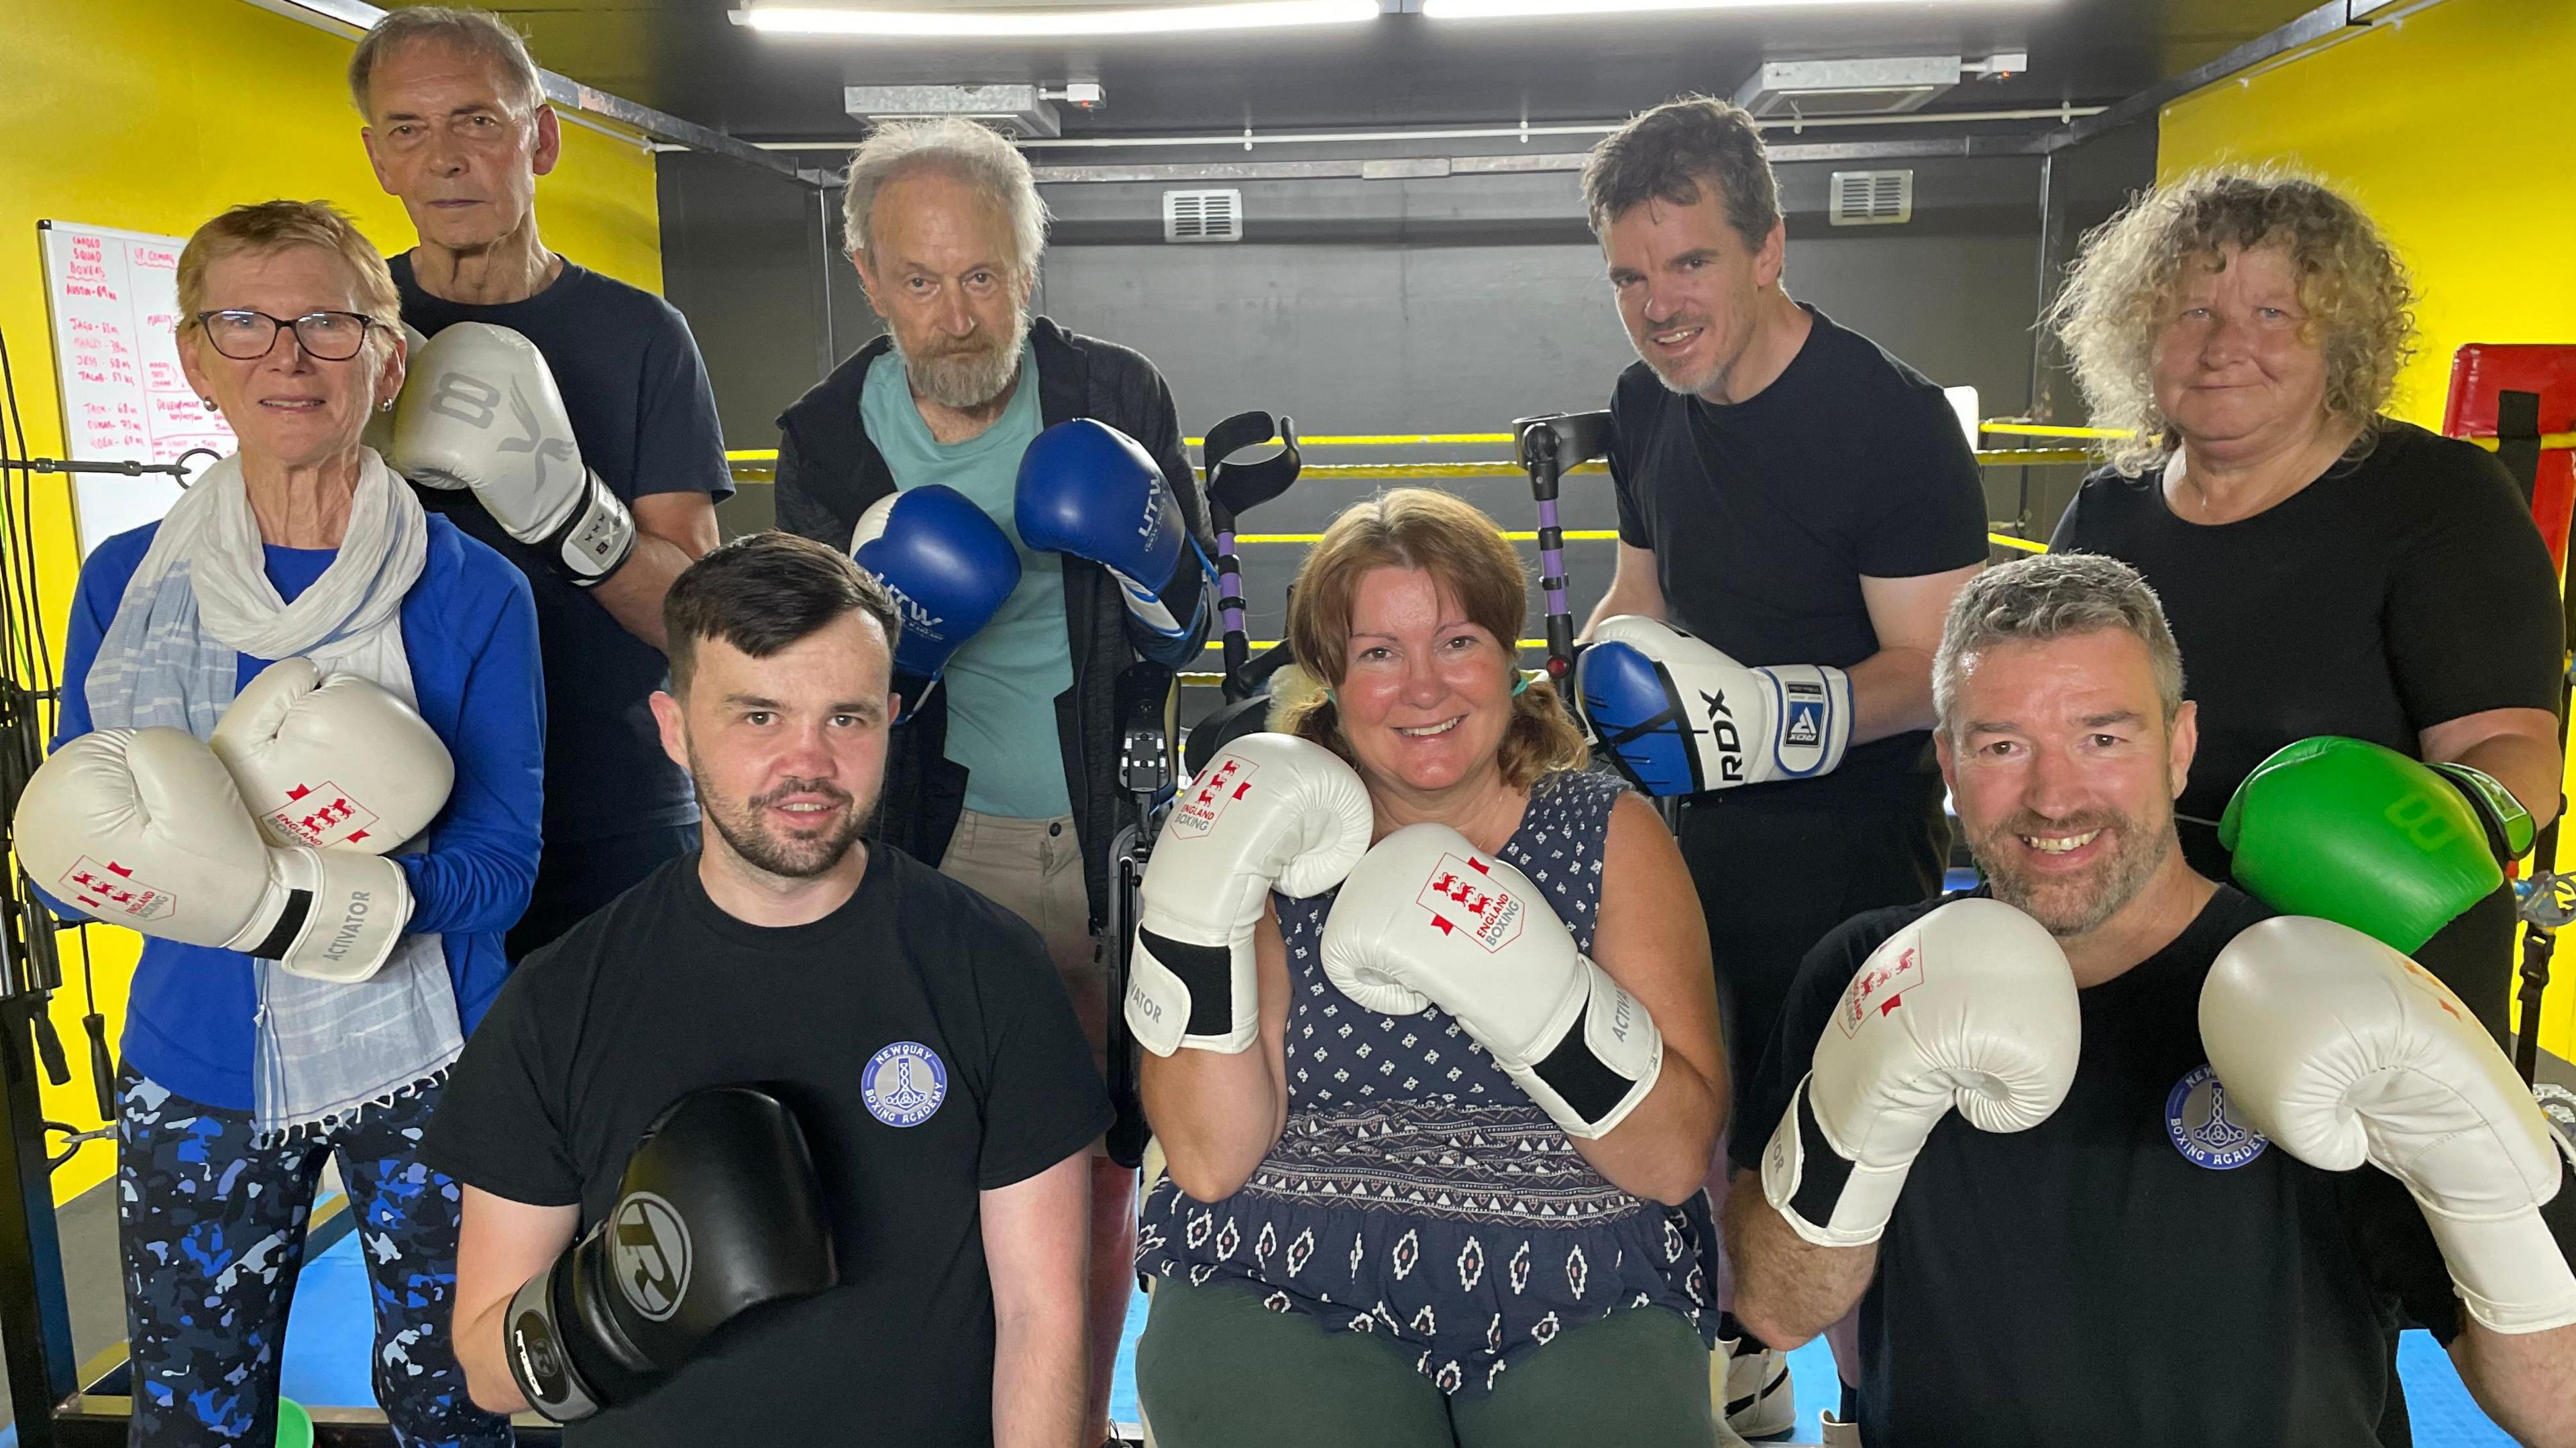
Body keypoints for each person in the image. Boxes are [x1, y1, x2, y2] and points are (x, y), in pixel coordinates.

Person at [1722, 552, 2576, 1448]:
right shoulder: (1870, 971)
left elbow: (2555, 1411)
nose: (2055, 800)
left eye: (2104, 738)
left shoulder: (2333, 986)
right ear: (1949, 761)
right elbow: (1778, 1313)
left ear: (2179, 748)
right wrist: (1857, 1113)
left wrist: (2473, 1164)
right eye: (2003, 744)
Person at [9, 200, 541, 1445]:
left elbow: (505, 868)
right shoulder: (124, 586)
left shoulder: (470, 589)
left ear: (390, 355)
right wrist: (149, 878)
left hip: (434, 1061)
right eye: (243, 323)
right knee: (191, 1417)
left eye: (328, 324)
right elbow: (79, 853)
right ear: (196, 359)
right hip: (197, 1060)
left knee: (455, 1407)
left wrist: (310, 901)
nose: (287, 359)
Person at [422, 533, 1108, 1446]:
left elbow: (1043, 1316)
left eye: (847, 718)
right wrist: (626, 1304)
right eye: (758, 717)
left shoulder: (991, 967)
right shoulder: (560, 1003)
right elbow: (486, 1367)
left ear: (890, 719)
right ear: (674, 728)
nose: (809, 763)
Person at [769, 115, 1213, 1441]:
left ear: (1029, 269)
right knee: (915, 1149)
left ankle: (1068, 1424)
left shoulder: (1115, 395)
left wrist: (1150, 561)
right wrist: (894, 649)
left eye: (982, 278)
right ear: (870, 275)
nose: (955, 316)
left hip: (1098, 836)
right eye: (921, 279)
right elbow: (801, 692)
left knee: (1095, 1156)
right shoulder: (827, 440)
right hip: (920, 847)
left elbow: (1185, 625)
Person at [1128, 488, 1729, 1447]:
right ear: (1329, 676)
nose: (1423, 688)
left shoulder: (1606, 831)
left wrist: (1536, 999)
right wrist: (1199, 908)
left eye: (1456, 642)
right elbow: (1208, 1158)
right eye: (1378, 653)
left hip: (1577, 1262)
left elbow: (1669, 1161)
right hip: (1287, 1258)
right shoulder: (1276, 844)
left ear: (1507, 656)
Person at [1571, 95, 1990, 1433]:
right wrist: (1586, 684)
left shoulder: (1890, 422)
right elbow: (1639, 593)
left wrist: (1765, 720)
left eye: (1689, 263)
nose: (1660, 306)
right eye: (1630, 276)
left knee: (1844, 1166)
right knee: (1683, 1128)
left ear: (1769, 249)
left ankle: (1875, 1413)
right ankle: (1740, 1373)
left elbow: (1939, 664)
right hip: (1681, 839)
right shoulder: (1647, 403)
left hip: (1846, 859)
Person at [2047, 167, 2563, 1046]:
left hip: (2357, 988)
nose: (2222, 348)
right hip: (2131, 972)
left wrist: (2389, 845)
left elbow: (2512, 752)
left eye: (2273, 314)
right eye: (2191, 312)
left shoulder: (2438, 499)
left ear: (2342, 337)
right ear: (2141, 335)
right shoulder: (2107, 510)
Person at [352, 6, 729, 958]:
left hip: (613, 804)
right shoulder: (343, 334)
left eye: (477, 120)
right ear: (378, 159)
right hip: (401, 807)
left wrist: (568, 512)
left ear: (542, 137)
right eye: (408, 129)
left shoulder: (644, 335)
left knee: (631, 1096)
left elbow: (698, 621)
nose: (444, 158)